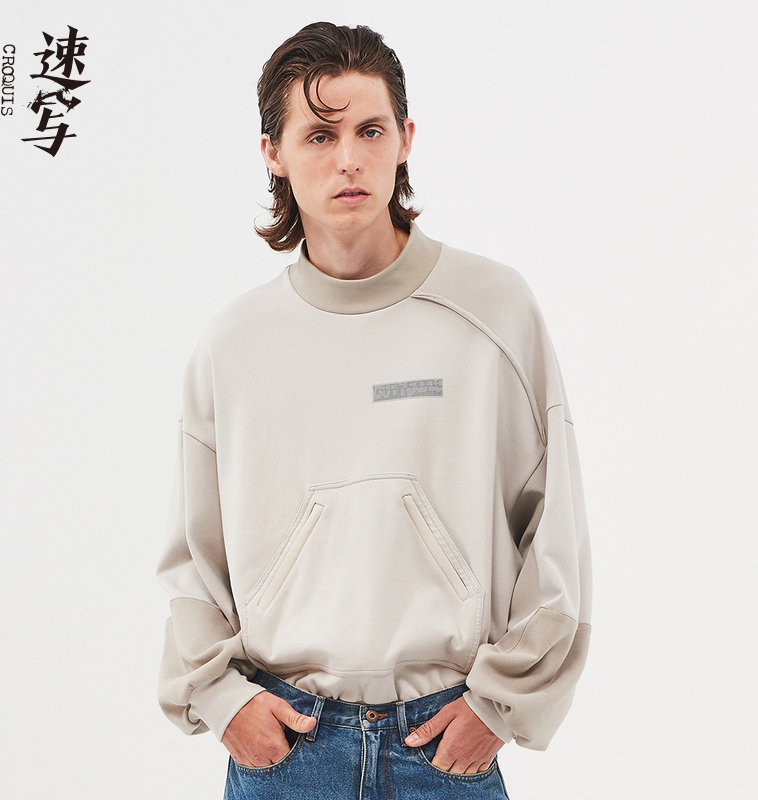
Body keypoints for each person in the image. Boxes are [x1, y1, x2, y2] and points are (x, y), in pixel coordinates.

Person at [156, 21, 592, 800]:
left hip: (443, 745)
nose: (349, 160)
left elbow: (556, 532)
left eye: (370, 130)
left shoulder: (494, 310)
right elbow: (194, 557)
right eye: (320, 135)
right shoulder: (235, 344)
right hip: (285, 749)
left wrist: (502, 703)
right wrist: (221, 699)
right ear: (274, 153)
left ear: (405, 139)